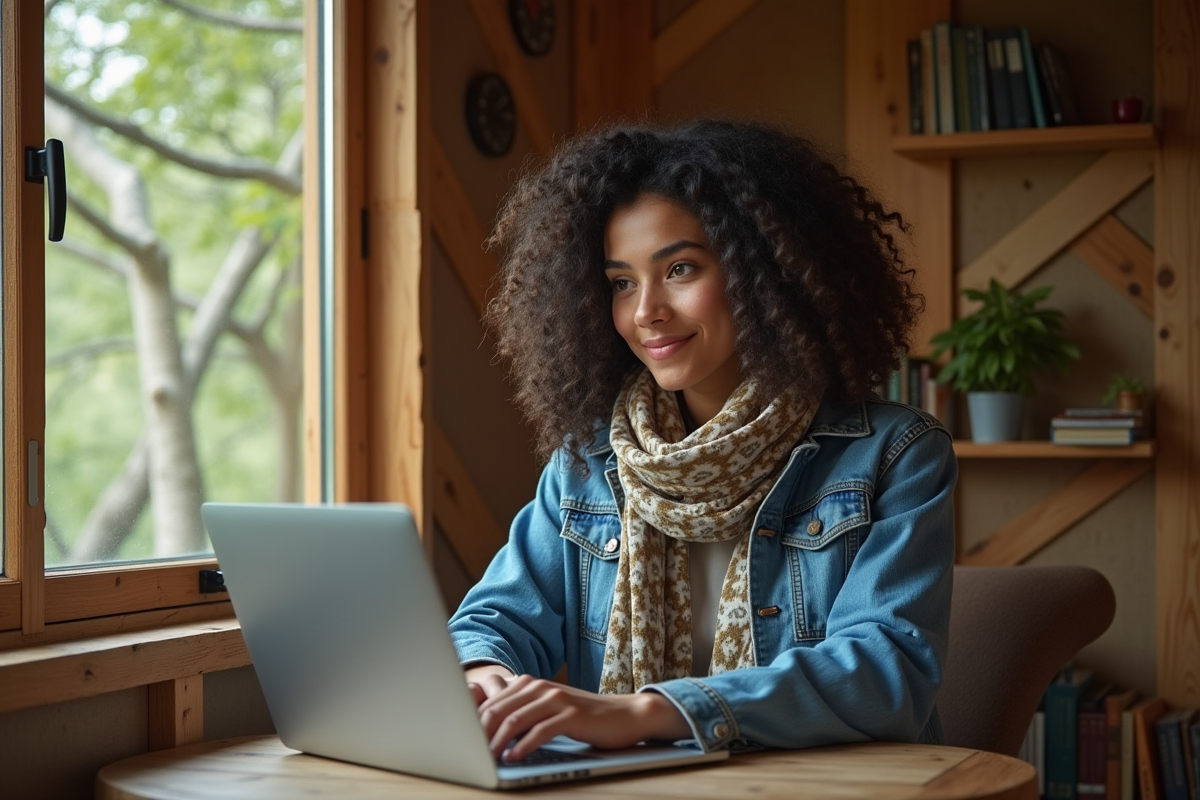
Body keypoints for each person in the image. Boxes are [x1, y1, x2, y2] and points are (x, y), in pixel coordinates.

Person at [447, 119, 956, 763]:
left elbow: (887, 673)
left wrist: (648, 712)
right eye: (621, 282)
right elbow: (495, 620)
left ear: (765, 272)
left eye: (680, 269)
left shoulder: (894, 455)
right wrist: (481, 673)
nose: (645, 312)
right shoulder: (588, 463)